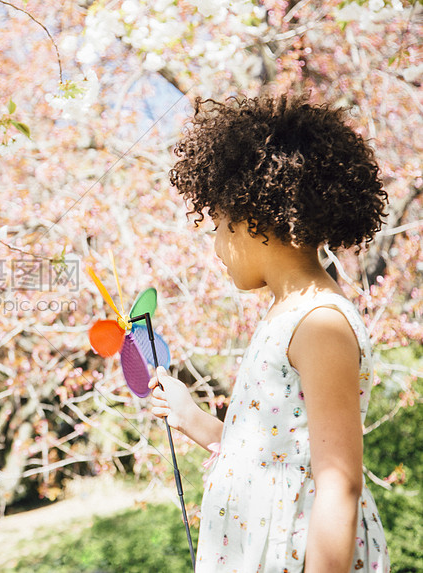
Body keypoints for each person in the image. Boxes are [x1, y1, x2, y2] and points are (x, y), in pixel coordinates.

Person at [149, 95, 390, 572]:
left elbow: (338, 482)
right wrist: (192, 418)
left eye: (218, 225)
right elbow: (275, 452)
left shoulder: (320, 323)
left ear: (252, 218)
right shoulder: (286, 314)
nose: (215, 244)